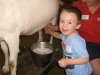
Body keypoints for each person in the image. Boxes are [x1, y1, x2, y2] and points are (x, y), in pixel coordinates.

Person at [44, 0, 100, 75]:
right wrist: (50, 32)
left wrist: (67, 61)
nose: (64, 25)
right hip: (72, 70)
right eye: (62, 21)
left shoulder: (76, 41)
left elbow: (85, 58)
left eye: (69, 22)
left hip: (80, 72)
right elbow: (58, 35)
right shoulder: (66, 35)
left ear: (78, 26)